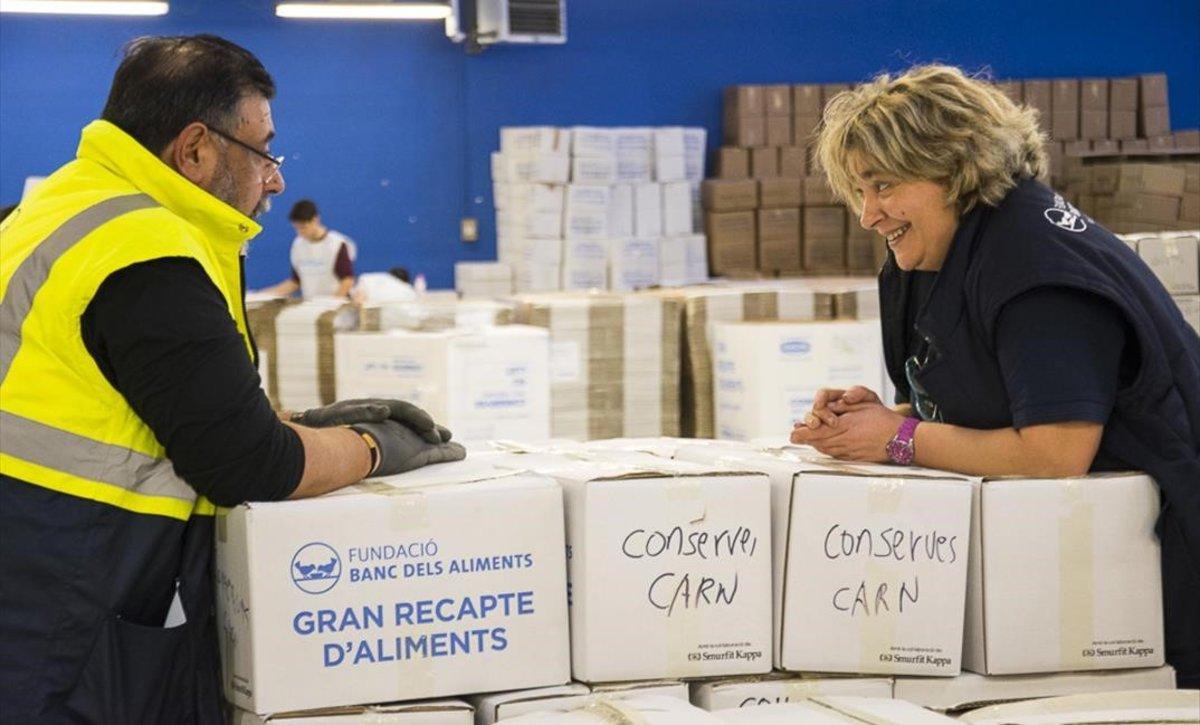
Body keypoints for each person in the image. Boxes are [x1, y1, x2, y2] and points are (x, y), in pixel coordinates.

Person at [0, 34, 464, 723]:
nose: (275, 178)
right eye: (264, 150)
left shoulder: (58, 204)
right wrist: (372, 446)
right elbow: (249, 465)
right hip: (70, 581)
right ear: (195, 148)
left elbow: (132, 392)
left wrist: (296, 424)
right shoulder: (146, 252)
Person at [790, 65, 1200, 687]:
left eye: (884, 186)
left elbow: (1055, 451)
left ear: (953, 169)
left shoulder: (1037, 272)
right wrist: (880, 418)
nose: (869, 215)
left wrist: (896, 442)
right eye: (858, 192)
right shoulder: (935, 251)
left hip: (1160, 571)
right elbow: (998, 398)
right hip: (1063, 569)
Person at [261, 198, 357, 298]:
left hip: (337, 308)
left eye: (303, 227)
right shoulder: (298, 245)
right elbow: (296, 281)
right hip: (312, 307)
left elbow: (347, 280)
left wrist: (332, 305)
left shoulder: (337, 244)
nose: (300, 232)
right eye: (296, 228)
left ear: (315, 220)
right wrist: (264, 295)